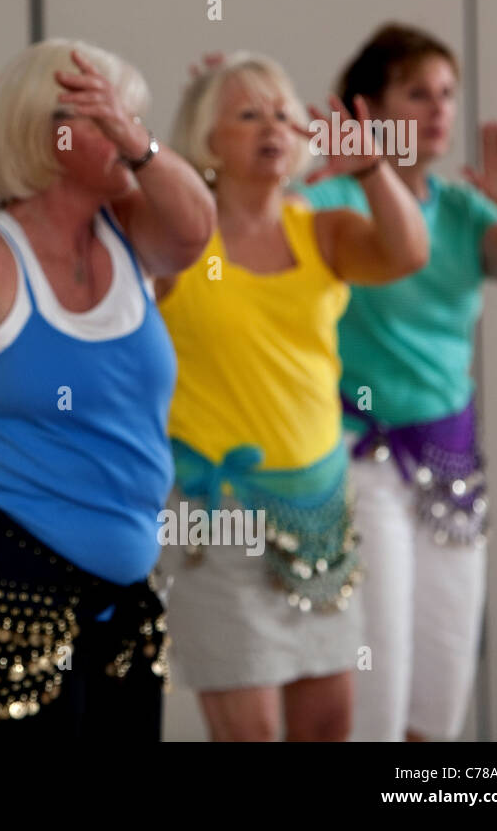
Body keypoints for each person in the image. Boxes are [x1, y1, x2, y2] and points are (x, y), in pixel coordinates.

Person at [0, 39, 215, 740]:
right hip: (11, 577)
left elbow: (196, 228)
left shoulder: (131, 236)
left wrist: (133, 142)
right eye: (105, 115)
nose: (127, 127)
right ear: (48, 133)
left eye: (132, 115)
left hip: (126, 592)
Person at [156, 52, 429, 741]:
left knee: (329, 727)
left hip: (322, 514)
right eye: (246, 114)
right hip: (215, 518)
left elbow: (408, 253)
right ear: (206, 139)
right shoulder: (181, 238)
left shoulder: (322, 229)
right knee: (248, 735)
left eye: (282, 111)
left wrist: (371, 169)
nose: (271, 125)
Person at [299, 24, 497, 741]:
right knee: (379, 679)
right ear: (370, 108)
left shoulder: (463, 207)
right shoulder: (332, 199)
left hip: (451, 462)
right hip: (361, 457)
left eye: (447, 94)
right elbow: (262, 227)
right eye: (418, 93)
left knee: (442, 687)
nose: (440, 110)